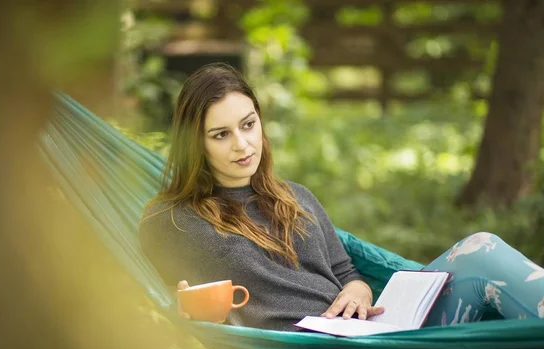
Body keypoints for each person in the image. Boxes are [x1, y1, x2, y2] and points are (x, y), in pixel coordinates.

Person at [139, 62, 544, 332]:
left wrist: (356, 291)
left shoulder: (295, 197)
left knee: (481, 248)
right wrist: (185, 313)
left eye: (248, 125)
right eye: (221, 134)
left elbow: (349, 274)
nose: (243, 144)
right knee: (484, 253)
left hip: (373, 333)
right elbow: (175, 302)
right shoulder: (175, 221)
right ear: (196, 144)